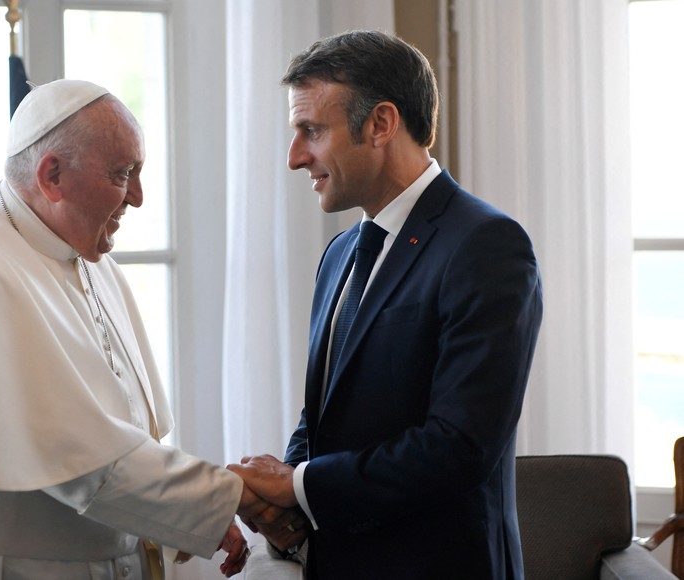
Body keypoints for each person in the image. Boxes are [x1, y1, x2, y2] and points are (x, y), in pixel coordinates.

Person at [0, 79, 270, 579]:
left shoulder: (77, 244)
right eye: (123, 173)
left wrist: (189, 512)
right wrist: (221, 500)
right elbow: (80, 457)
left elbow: (124, 422)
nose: (137, 196)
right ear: (52, 176)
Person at [229, 31, 543, 579]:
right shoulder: (340, 252)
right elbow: (324, 413)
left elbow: (459, 447)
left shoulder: (486, 245)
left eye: (311, 131)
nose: (294, 157)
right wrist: (291, 505)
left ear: (380, 124)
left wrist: (297, 484)